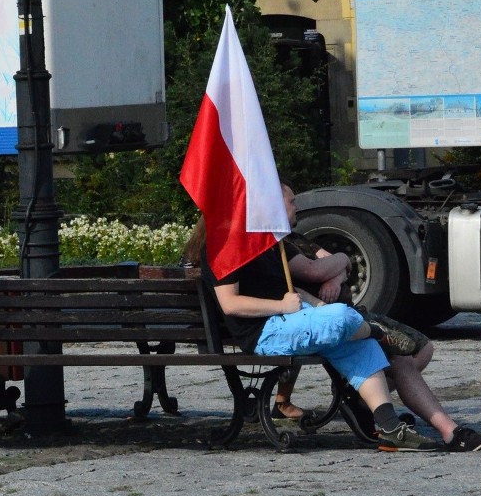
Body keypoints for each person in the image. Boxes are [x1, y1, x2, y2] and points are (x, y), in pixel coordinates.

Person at [187, 192, 437, 450]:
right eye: (288, 201)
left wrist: (318, 306)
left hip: (291, 320)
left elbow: (290, 288)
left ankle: (389, 427)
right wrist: (282, 306)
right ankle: (374, 330)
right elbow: (230, 303)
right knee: (341, 319)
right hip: (264, 332)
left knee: (358, 343)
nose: (292, 206)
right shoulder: (224, 244)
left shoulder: (265, 242)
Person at [279, 183, 481, 453]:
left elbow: (338, 264)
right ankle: (448, 431)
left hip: (347, 315)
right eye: (290, 202)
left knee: (422, 348)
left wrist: (338, 268)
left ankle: (363, 400)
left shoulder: (297, 238)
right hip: (331, 321)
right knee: (401, 356)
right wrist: (334, 268)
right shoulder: (279, 246)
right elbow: (312, 271)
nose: (296, 206)